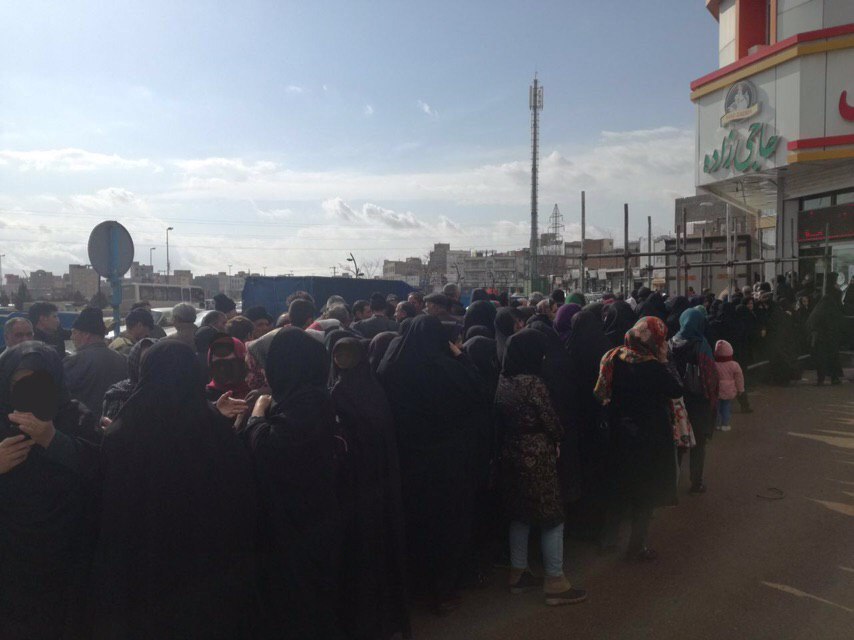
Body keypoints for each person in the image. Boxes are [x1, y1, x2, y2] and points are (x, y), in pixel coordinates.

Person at [91, 340, 256, 639]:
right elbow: (238, 500)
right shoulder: (216, 432)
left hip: (142, 572)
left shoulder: (122, 434)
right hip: (205, 571)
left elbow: (109, 510)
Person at [376, 315, 490, 614]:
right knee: (448, 526)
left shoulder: (391, 368)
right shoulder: (446, 370)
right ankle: (444, 590)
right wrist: (461, 357)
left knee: (417, 525)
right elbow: (479, 392)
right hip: (448, 463)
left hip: (408, 461)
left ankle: (416, 588)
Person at [238, 328, 341, 639]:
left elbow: (268, 447)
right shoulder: (310, 395)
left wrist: (257, 413)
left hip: (298, 519)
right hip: (313, 511)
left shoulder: (305, 404)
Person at [0, 341, 99, 639]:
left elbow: (100, 469)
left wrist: (55, 441)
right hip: (9, 554)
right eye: (19, 384)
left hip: (65, 552)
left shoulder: (75, 415)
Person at [496, 329, 587, 606]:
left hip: (510, 450)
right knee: (552, 515)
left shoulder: (503, 380)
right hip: (537, 453)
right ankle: (556, 582)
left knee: (519, 514)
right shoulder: (534, 383)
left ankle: (518, 573)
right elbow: (549, 419)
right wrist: (559, 437)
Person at [329, 338, 410, 639]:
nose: (341, 360)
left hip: (355, 485)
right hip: (381, 480)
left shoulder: (338, 392)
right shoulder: (374, 388)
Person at [595, 316, 684, 560]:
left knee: (618, 488)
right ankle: (636, 547)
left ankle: (608, 540)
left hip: (619, 433)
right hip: (648, 437)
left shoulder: (613, 357)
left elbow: (601, 393)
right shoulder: (653, 367)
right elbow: (676, 389)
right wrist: (665, 361)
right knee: (644, 494)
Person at [670, 308, 719, 494]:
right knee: (698, 445)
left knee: (678, 445)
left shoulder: (671, 344)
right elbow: (711, 378)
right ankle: (696, 483)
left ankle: (673, 486)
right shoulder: (702, 346)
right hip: (698, 403)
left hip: (677, 403)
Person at [63, 307, 128, 419]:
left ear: (86, 335)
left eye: (74, 332)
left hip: (84, 424)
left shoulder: (74, 361)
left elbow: (60, 395)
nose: (71, 337)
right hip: (114, 423)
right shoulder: (123, 359)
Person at [102, 337, 155, 421]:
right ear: (134, 363)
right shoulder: (118, 395)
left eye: (153, 361)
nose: (149, 367)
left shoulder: (169, 393)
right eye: (144, 363)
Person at [806, 288, 845, 385]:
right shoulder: (832, 306)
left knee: (821, 359)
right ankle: (834, 378)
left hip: (819, 337)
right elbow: (835, 322)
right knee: (833, 357)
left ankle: (821, 379)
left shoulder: (821, 306)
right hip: (829, 337)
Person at [205, 334, 250, 402]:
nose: (223, 369)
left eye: (231, 363)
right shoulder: (207, 396)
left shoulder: (256, 394)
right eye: (218, 364)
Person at [714, 340, 744, 432]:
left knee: (716, 407)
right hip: (729, 390)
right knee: (726, 406)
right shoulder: (734, 365)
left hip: (716, 389)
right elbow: (739, 378)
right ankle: (725, 424)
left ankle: (717, 424)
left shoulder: (713, 364)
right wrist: (740, 389)